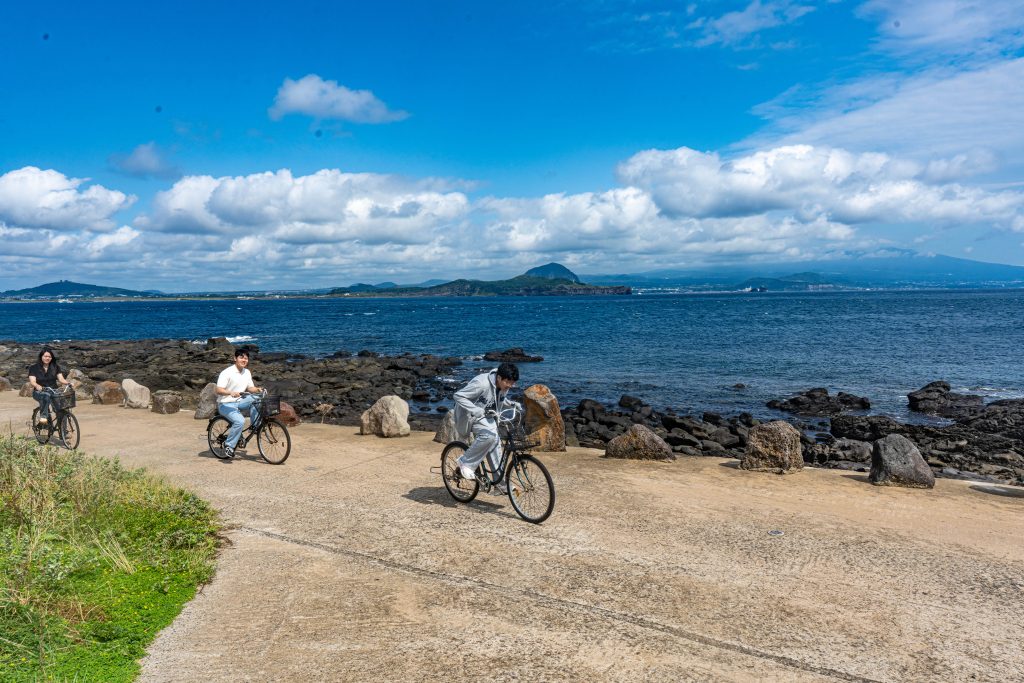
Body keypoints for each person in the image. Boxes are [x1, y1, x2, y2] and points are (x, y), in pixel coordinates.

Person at [453, 362, 519, 493]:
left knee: (495, 441)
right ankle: (465, 462)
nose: (510, 386)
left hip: (487, 416)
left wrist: (510, 404)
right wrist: (475, 410)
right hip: (470, 417)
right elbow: (458, 395)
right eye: (508, 382)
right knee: (488, 436)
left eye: (513, 383)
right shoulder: (481, 383)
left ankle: (499, 484)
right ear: (499, 378)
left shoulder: (503, 385)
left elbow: (497, 399)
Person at [215, 348, 262, 458]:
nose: (244, 360)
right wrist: (230, 393)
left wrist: (258, 389)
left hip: (240, 402)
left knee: (258, 399)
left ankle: (254, 427)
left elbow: (250, 388)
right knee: (240, 421)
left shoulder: (247, 372)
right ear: (235, 358)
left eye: (246, 358)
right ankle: (229, 446)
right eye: (241, 357)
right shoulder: (227, 372)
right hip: (225, 404)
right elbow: (218, 390)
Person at [28, 347, 70, 424]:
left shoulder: (55, 367)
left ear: (52, 358)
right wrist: (37, 386)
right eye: (45, 356)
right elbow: (32, 381)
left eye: (49, 357)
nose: (47, 358)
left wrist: (68, 383)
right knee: (46, 395)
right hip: (39, 392)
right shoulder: (34, 368)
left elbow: (61, 379)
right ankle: (43, 417)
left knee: (62, 409)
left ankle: (64, 432)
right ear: (41, 357)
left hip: (53, 390)